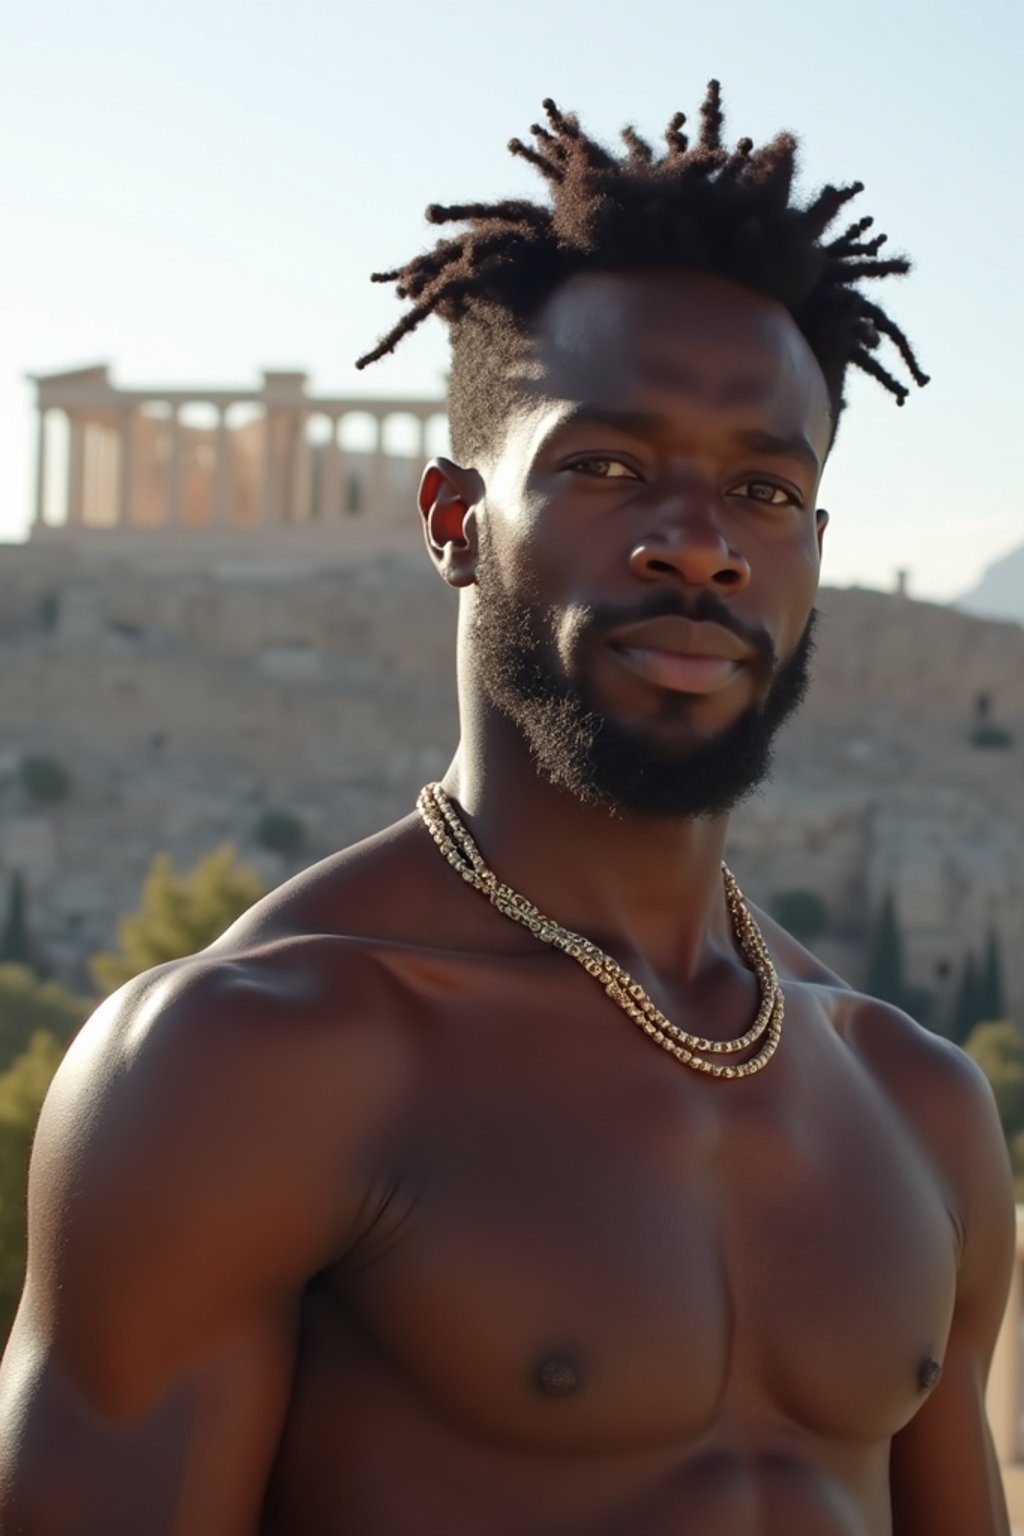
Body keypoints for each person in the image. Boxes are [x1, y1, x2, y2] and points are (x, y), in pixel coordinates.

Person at [0, 84, 1014, 1536]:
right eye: (606, 467)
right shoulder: (247, 1066)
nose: (701, 546)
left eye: (765, 489)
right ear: (452, 521)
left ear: (813, 552)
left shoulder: (921, 1102)